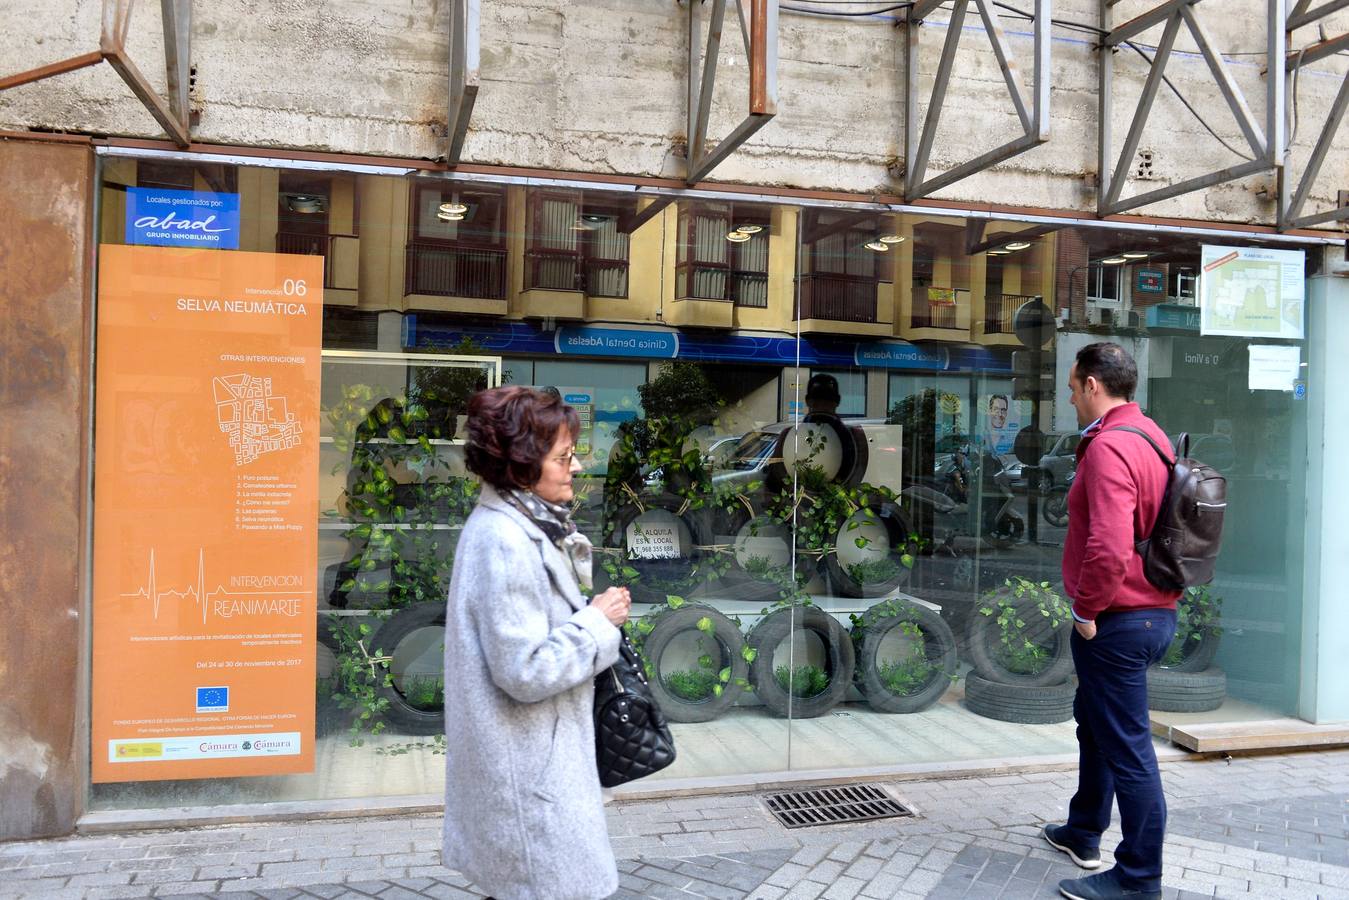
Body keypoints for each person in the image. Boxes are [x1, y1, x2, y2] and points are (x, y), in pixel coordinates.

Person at [441, 385, 633, 900]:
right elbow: (524, 670)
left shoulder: (522, 525)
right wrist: (598, 622)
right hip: (529, 773)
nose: (576, 467)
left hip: (531, 761)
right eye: (563, 458)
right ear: (523, 466)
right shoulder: (506, 540)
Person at [1044, 343, 1180, 900]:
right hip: (1153, 611)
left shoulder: (1109, 447)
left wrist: (1086, 611)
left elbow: (1109, 544)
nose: (1071, 398)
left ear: (1094, 385)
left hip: (1118, 620)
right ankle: (1083, 830)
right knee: (1094, 721)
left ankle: (1139, 879)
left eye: (1073, 388)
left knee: (1129, 750)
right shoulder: (1152, 436)